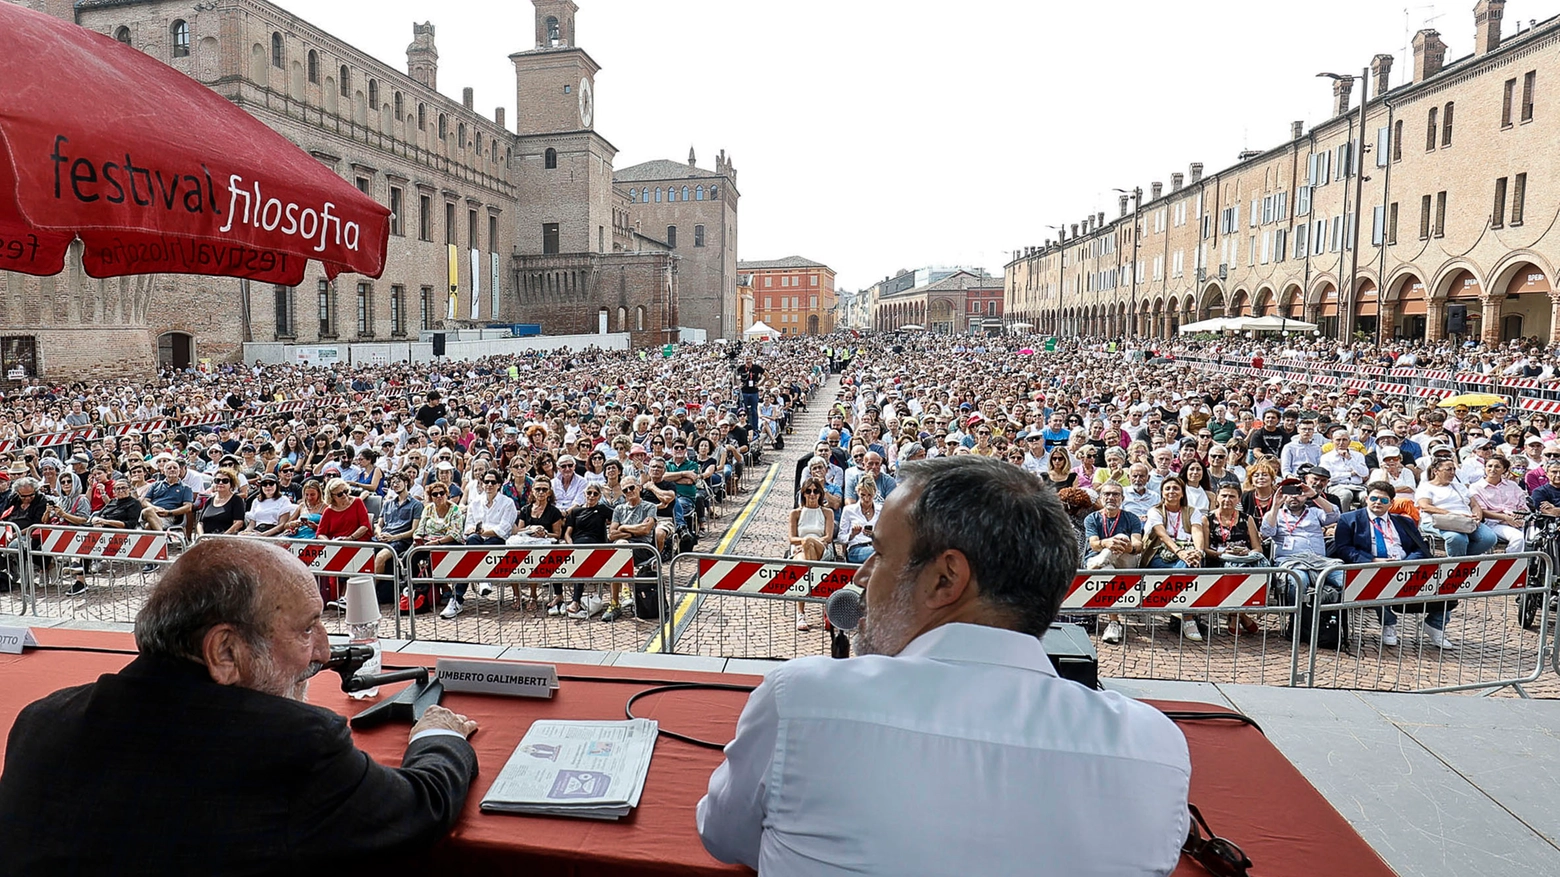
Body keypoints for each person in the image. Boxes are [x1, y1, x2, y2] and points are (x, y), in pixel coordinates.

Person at [696, 457, 1190, 876]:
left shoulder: (799, 702)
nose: (863, 574)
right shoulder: (1156, 750)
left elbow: (725, 834)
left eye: (882, 554)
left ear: (944, 579)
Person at [0, 539, 479, 875]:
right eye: (306, 628)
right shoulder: (294, 744)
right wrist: (438, 734)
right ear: (225, 652)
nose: (325, 652)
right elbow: (423, 808)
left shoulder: (42, 719)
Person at [1331, 481, 1436, 648]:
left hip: (1404, 567)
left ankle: (1435, 624)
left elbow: (1420, 547)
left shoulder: (1404, 522)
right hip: (1371, 568)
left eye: (1383, 500)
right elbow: (1344, 549)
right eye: (1374, 498)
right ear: (1366, 499)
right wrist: (1372, 561)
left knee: (1447, 582)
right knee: (1379, 581)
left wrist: (1406, 564)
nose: (1378, 502)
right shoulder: (1349, 519)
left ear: (1391, 503)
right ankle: (1389, 623)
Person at [788, 476, 836, 631]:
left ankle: (802, 608)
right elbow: (791, 538)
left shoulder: (827, 512)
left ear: (821, 494)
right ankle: (801, 613)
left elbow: (828, 537)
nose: (812, 494)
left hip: (821, 547)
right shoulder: (795, 513)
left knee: (808, 543)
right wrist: (803, 543)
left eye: (816, 491)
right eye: (808, 491)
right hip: (800, 548)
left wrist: (808, 542)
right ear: (803, 494)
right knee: (803, 564)